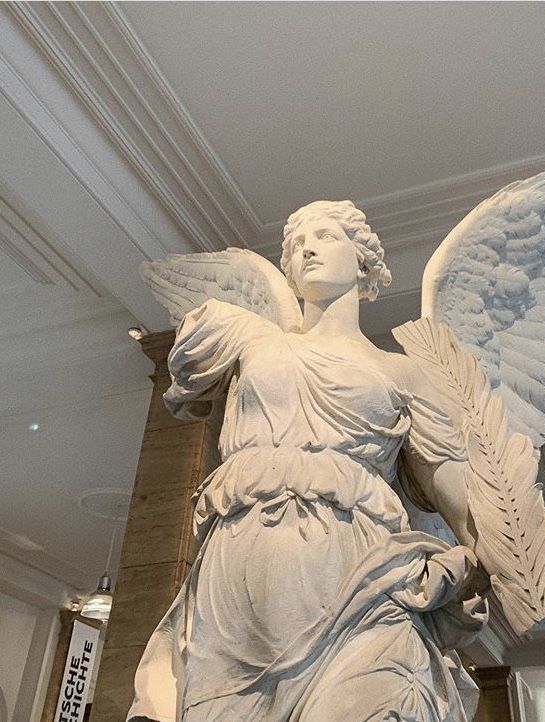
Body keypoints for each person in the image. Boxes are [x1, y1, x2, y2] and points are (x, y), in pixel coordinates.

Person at [128, 201, 488, 722]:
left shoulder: (403, 373)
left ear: (363, 262)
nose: (307, 249)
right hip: (240, 572)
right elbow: (186, 385)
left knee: (375, 700)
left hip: (359, 571)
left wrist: (495, 556)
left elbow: (456, 493)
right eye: (296, 244)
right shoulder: (248, 336)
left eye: (326, 236)